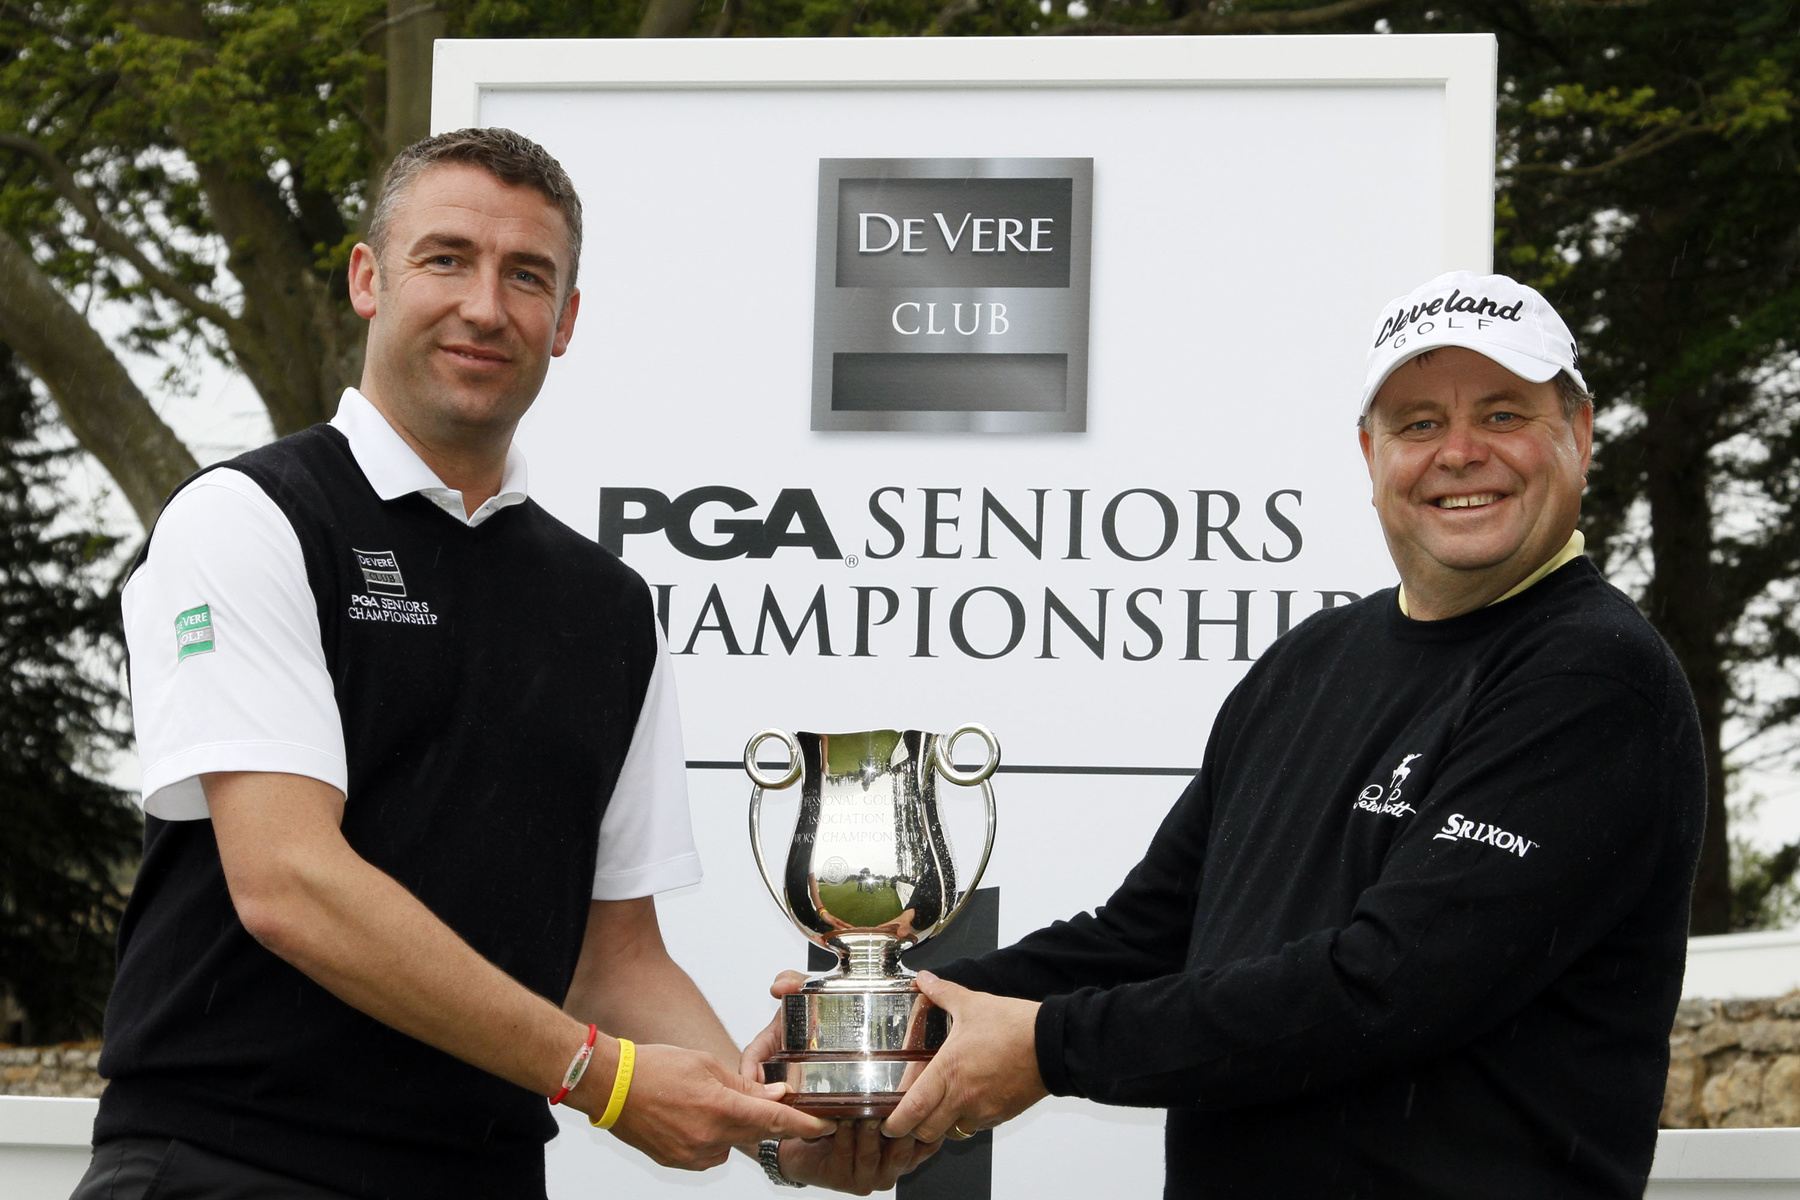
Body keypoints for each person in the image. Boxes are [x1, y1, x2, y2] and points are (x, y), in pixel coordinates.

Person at [76, 128, 930, 1199]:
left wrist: (776, 1126)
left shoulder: (606, 608)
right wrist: (601, 1078)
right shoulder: (251, 520)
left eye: (526, 276)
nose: (485, 307)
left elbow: (613, 958)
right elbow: (289, 883)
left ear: (565, 322)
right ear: (366, 280)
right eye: (446, 259)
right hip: (235, 1163)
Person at [755, 271, 1707, 1197]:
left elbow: (1389, 987)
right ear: (1370, 454)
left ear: (1578, 436)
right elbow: (1147, 936)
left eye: (1503, 414)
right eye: (1419, 423)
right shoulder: (1312, 662)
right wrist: (873, 1034)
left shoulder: (1593, 678)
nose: (1460, 451)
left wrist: (1046, 1049)